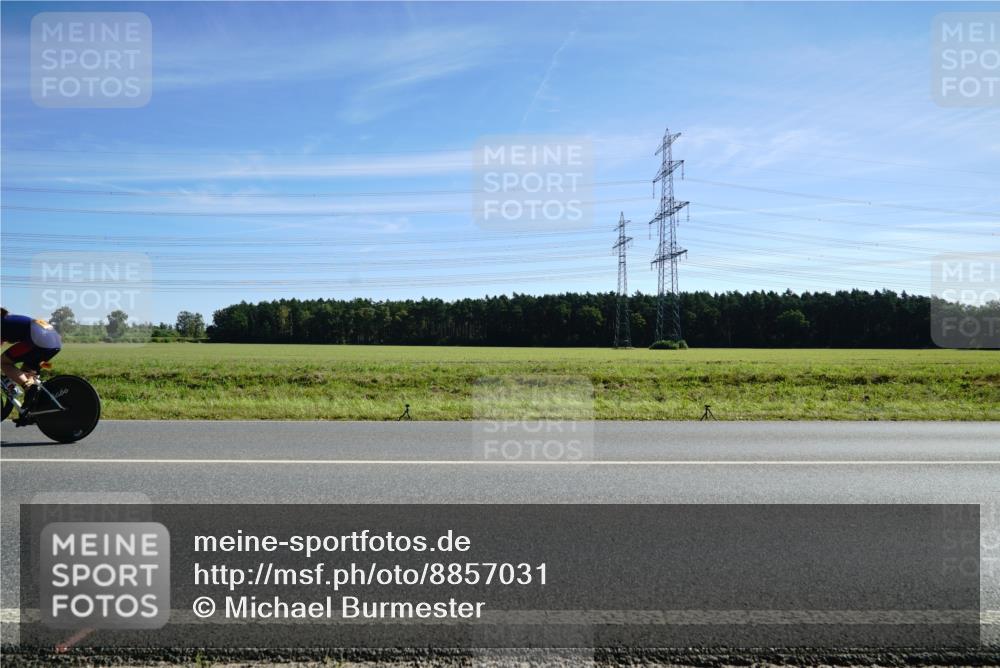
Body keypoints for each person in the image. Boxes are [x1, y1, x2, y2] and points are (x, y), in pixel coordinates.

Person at [1, 308, 62, 410]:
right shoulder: (8, 319)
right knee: (28, 371)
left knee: (3, 362)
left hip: (37, 340)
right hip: (55, 342)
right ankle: (32, 408)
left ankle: (29, 388)